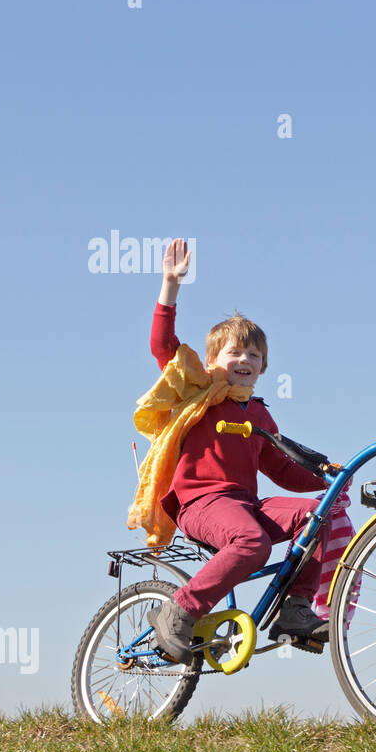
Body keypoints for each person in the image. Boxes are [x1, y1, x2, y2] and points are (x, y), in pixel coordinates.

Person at [132, 239, 337, 663]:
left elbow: (280, 467)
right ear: (211, 361)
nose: (244, 358)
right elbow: (162, 347)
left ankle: (294, 609)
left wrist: (328, 477)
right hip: (201, 503)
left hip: (245, 503)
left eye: (254, 354)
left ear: (264, 366)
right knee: (252, 542)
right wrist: (170, 286)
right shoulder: (200, 391)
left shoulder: (261, 415)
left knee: (319, 515)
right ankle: (179, 608)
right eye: (234, 352)